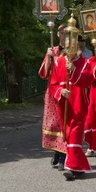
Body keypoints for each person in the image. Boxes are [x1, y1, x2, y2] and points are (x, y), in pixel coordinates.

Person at [49, 47, 94, 181]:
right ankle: (79, 166)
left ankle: (70, 167)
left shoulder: (84, 62)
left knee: (74, 134)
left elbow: (88, 79)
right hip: (64, 104)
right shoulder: (59, 62)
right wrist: (61, 92)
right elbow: (53, 84)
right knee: (68, 135)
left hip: (78, 103)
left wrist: (74, 70)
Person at [39, 23, 67, 170]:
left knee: (65, 122)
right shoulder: (53, 51)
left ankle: (64, 157)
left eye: (67, 33)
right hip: (53, 93)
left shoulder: (73, 52)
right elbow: (44, 74)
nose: (64, 35)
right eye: (62, 32)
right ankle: (58, 151)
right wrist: (49, 58)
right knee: (55, 124)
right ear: (58, 34)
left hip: (68, 92)